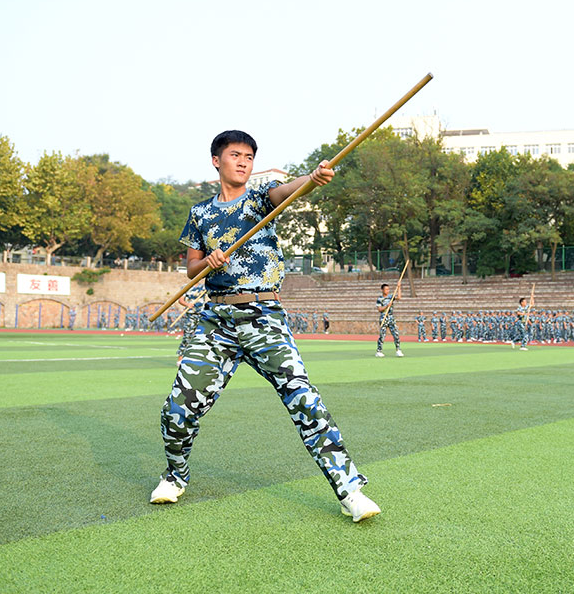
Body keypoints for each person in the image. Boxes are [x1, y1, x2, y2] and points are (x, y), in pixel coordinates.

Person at [151, 130, 379, 523]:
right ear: (216, 160)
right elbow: (191, 267)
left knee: (305, 400)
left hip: (263, 317)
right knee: (177, 410)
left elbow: (290, 191)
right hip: (215, 321)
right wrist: (209, 262)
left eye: (249, 157)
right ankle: (175, 475)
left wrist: (313, 178)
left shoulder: (260, 197)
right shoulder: (200, 213)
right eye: (235, 155)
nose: (243, 161)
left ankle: (350, 491)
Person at [175, 284, 206, 365]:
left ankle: (199, 357)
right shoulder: (186, 286)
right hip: (190, 314)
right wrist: (187, 304)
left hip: (201, 314)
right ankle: (180, 357)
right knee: (187, 336)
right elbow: (180, 300)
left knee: (201, 336)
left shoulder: (203, 287)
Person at [375, 283, 403, 357]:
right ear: (382, 290)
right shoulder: (379, 299)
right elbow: (379, 309)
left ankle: (398, 350)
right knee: (382, 335)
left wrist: (399, 287)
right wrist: (387, 306)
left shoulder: (391, 297)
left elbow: (399, 297)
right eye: (386, 289)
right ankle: (379, 351)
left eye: (388, 289)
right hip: (383, 317)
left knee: (396, 334)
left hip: (391, 317)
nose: (387, 290)